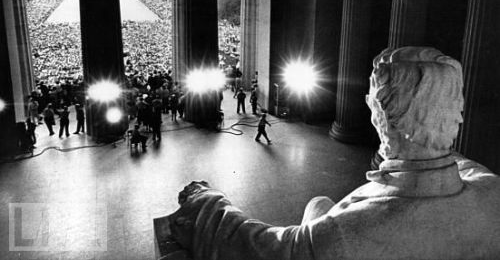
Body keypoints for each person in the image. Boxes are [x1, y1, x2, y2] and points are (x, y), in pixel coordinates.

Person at [164, 47, 500, 260]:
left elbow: (255, 248)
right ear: (456, 113)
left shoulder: (347, 236)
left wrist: (208, 203)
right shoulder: (492, 192)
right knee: (320, 208)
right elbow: (457, 167)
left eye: (372, 102)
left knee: (319, 207)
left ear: (381, 114)